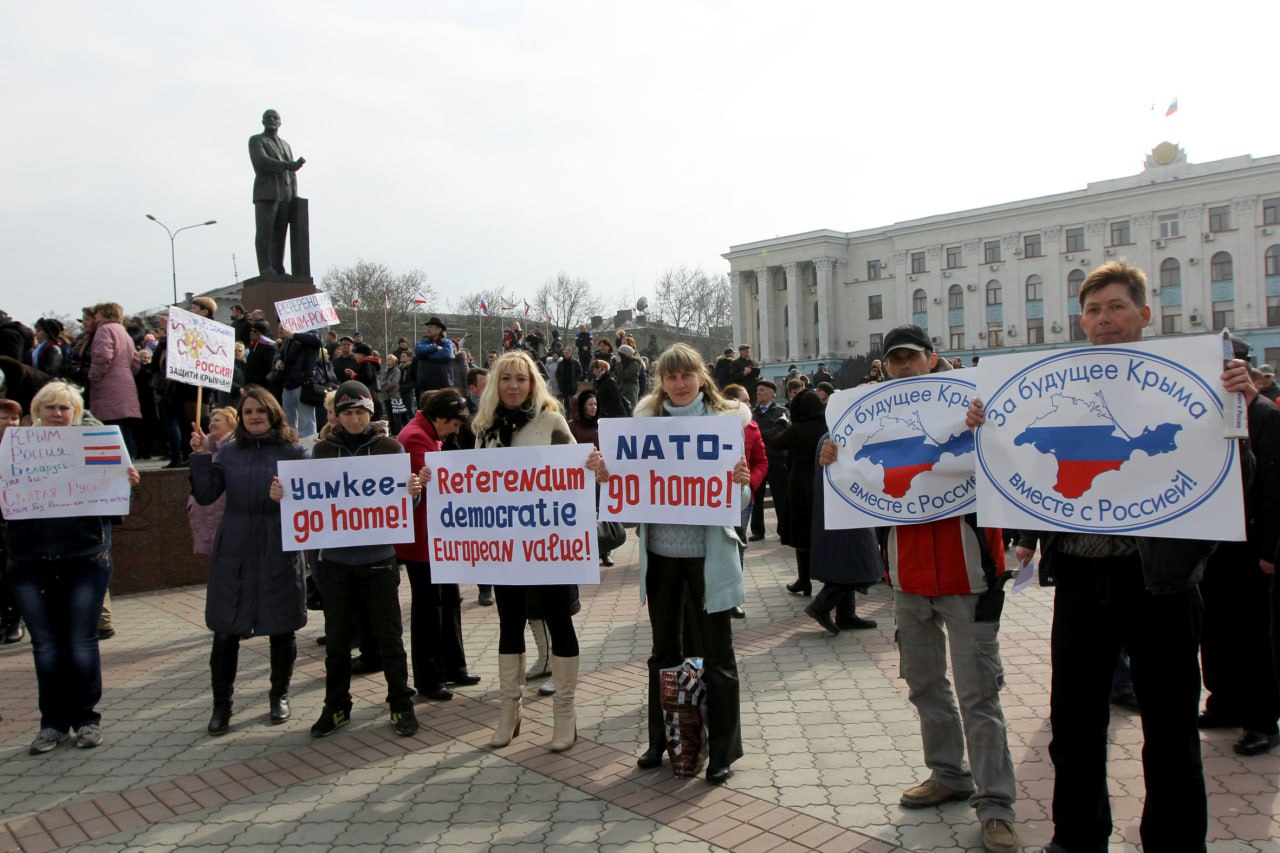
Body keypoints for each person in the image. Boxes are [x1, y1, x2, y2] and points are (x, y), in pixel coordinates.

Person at [965, 260, 1258, 853]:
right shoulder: (1067, 386)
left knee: (1170, 730)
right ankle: (1077, 837)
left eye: (1117, 307)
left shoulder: (1200, 385)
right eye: (1093, 310)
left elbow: (1239, 480)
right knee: (1074, 724)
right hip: (1079, 580)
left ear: (1144, 315)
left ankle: (1175, 842)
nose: (1104, 320)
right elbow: (1031, 475)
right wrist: (987, 428)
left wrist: (1245, 411)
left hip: (1162, 586)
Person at [825, 323, 1018, 853]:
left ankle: (997, 804)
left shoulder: (978, 404)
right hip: (908, 578)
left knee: (979, 693)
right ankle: (948, 774)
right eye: (894, 360)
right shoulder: (875, 418)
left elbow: (1016, 467)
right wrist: (832, 457)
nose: (903, 366)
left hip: (969, 576)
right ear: (884, 367)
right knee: (924, 684)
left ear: (933, 359)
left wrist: (989, 429)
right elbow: (857, 480)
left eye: (911, 357)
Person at [607, 344, 752, 785]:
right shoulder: (644, 428)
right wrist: (608, 481)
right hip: (663, 557)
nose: (679, 384)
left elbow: (737, 500)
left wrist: (742, 485)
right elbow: (629, 504)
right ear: (661, 382)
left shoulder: (725, 424)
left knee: (718, 655)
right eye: (671, 377)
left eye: (687, 375)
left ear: (701, 376)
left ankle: (723, 750)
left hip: (708, 558)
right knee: (663, 654)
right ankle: (663, 740)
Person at [462, 350, 594, 751]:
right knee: (509, 623)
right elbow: (475, 484)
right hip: (505, 547)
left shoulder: (551, 422)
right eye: (506, 379)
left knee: (558, 621)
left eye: (521, 379)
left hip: (549, 544)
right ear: (494, 386)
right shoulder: (484, 429)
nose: (513, 386)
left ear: (533, 383)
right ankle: (510, 710)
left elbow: (577, 473)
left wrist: (591, 466)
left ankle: (565, 714)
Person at [4, 382, 140, 754]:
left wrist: (124, 485)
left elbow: (113, 510)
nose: (58, 414)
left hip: (85, 557)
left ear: (76, 413)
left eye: (66, 408)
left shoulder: (95, 444)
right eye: (50, 407)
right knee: (46, 647)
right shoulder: (12, 450)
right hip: (30, 561)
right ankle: (52, 724)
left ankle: (86, 720)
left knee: (81, 643)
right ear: (36, 412)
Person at [296, 381, 421, 737]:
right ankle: (336, 706)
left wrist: (412, 494)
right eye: (347, 412)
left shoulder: (390, 448)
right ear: (336, 415)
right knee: (336, 642)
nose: (354, 419)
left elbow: (403, 506)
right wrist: (284, 495)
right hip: (335, 561)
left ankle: (400, 702)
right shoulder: (320, 451)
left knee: (390, 638)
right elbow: (307, 500)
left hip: (379, 559)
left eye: (360, 412)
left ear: (371, 413)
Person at [189, 386, 308, 736]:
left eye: (260, 410)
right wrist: (198, 456)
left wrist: (286, 497)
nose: (254, 416)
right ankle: (221, 705)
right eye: (248, 412)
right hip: (235, 547)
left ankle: (279, 694)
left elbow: (310, 499)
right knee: (226, 631)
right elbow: (207, 493)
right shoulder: (228, 452)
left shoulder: (294, 452)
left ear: (273, 412)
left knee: (281, 627)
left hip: (279, 545)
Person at [396, 388, 482, 702]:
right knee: (429, 609)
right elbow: (434, 488)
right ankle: (430, 677)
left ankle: (452, 667)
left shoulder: (425, 433)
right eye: (453, 425)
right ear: (440, 418)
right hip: (422, 541)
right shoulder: (416, 438)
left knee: (447, 601)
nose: (455, 431)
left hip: (434, 538)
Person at [766, 389, 827, 598]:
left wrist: (781, 422)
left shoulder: (797, 428)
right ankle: (830, 581)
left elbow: (775, 442)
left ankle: (804, 580)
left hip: (800, 484)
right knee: (824, 532)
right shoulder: (828, 425)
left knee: (802, 535)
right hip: (824, 484)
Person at [249, 108, 305, 276]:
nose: (271, 119)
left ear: (280, 122)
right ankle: (266, 267)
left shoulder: (286, 145)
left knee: (281, 232)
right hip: (267, 191)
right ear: (263, 121)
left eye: (275, 117)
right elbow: (262, 161)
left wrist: (295, 197)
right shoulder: (257, 140)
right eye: (268, 117)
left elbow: (293, 173)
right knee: (265, 231)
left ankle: (278, 267)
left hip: (286, 193)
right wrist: (288, 165)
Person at [88, 302, 142, 458]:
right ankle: (130, 460)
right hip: (126, 382)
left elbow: (103, 356)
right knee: (125, 428)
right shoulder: (124, 332)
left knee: (112, 427)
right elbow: (135, 360)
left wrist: (94, 375)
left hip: (108, 384)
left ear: (104, 313)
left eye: (97, 313)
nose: (95, 316)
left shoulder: (104, 330)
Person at [187, 406, 237, 555]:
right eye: (211, 421)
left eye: (217, 420)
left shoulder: (234, 451)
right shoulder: (210, 451)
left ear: (232, 422)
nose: (212, 423)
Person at [749, 380, 789, 542]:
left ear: (773, 393)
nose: (759, 393)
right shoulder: (752, 413)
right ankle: (758, 530)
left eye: (763, 390)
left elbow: (784, 432)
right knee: (756, 497)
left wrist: (762, 435)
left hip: (777, 459)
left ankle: (784, 529)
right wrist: (769, 434)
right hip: (758, 461)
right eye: (757, 390)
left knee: (781, 496)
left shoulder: (781, 411)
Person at [273, 324, 322, 437]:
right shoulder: (288, 339)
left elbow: (316, 340)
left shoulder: (310, 332)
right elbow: (280, 352)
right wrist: (279, 360)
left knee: (306, 421)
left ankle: (308, 448)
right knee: (288, 421)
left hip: (303, 384)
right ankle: (291, 444)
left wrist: (295, 335)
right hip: (288, 384)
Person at [413, 316, 455, 398]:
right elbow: (418, 350)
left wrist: (426, 355)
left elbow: (448, 354)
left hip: (443, 386)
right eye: (428, 327)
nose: (428, 329)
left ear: (439, 330)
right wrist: (435, 347)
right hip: (425, 387)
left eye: (431, 327)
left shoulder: (447, 343)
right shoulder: (423, 341)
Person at [616, 344, 642, 414]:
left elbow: (624, 375)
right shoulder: (623, 364)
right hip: (622, 389)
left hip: (630, 391)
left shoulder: (634, 364)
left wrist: (619, 364)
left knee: (631, 410)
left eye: (619, 354)